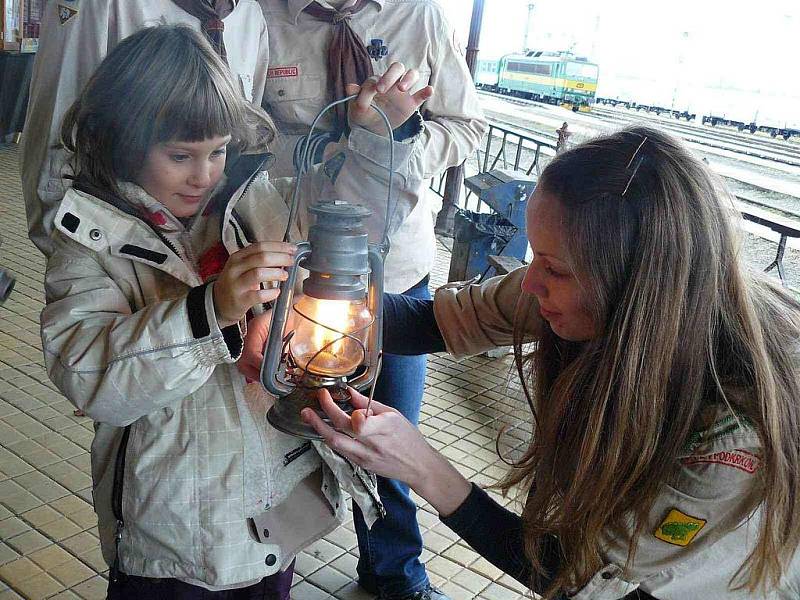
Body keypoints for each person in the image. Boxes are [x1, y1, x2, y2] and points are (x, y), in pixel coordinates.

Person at [303, 125, 800, 599]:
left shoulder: (734, 435)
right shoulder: (591, 293)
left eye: (554, 268)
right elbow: (434, 321)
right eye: (534, 254)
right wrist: (310, 297)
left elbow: (580, 580)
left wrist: (425, 468)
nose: (531, 282)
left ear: (634, 285)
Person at [39, 25, 430, 598]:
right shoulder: (90, 242)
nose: (204, 174)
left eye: (218, 151)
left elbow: (352, 221)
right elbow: (90, 378)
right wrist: (210, 310)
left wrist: (378, 138)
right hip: (169, 532)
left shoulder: (259, 201)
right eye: (180, 156)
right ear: (122, 141)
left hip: (272, 512)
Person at [258, 2, 487, 597]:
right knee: (272, 419)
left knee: (384, 424)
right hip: (291, 265)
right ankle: (264, 565)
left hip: (392, 270)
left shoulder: (421, 16)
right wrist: (333, 150)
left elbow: (466, 128)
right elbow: (239, 137)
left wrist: (393, 138)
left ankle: (394, 572)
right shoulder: (262, 17)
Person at [20, 0, 271, 258]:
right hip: (112, 244)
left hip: (211, 246)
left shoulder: (249, 14)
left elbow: (246, 130)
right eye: (180, 156)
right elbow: (55, 127)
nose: (203, 176)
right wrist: (69, 244)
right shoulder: (96, 5)